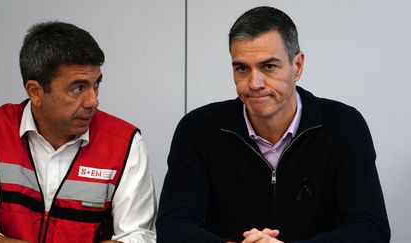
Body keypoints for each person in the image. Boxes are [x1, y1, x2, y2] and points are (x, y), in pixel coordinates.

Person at [156, 6, 390, 243]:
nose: (254, 83)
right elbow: (173, 226)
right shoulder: (198, 129)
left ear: (297, 66)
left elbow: (370, 229)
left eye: (269, 66)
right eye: (242, 68)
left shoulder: (344, 125)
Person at [0, 21, 156, 243]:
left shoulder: (125, 143)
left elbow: (138, 236)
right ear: (35, 91)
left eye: (96, 85)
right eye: (78, 88)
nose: (94, 101)